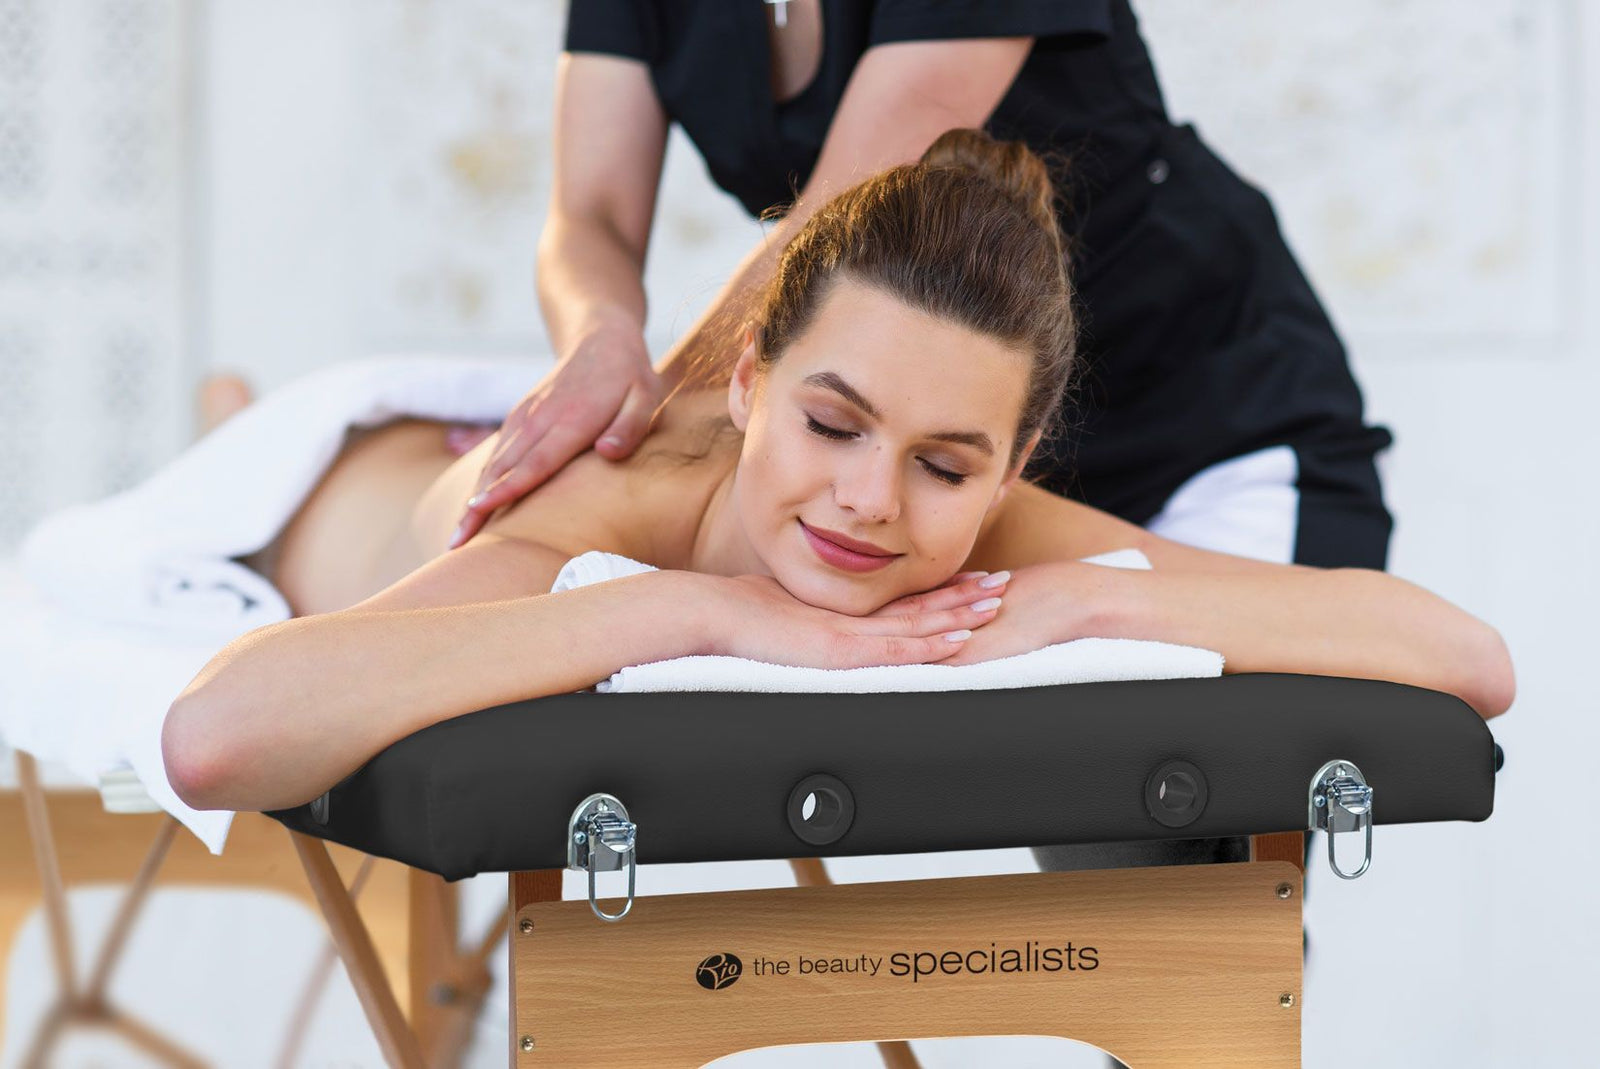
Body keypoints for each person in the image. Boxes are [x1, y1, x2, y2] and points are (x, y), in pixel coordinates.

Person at [161, 131, 1511, 821]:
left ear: (1012, 465)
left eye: (943, 464)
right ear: (748, 381)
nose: (872, 498)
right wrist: (690, 608)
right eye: (832, 423)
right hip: (344, 498)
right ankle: (235, 411)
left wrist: (1099, 598)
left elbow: (1463, 654)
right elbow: (215, 736)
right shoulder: (590, 523)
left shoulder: (988, 520)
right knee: (256, 448)